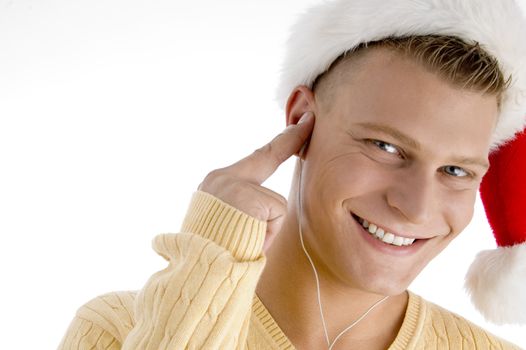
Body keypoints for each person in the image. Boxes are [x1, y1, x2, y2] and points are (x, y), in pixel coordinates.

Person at [58, 0, 526, 349]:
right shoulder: (117, 330)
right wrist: (213, 256)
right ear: (303, 119)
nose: (417, 206)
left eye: (455, 170)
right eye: (385, 146)